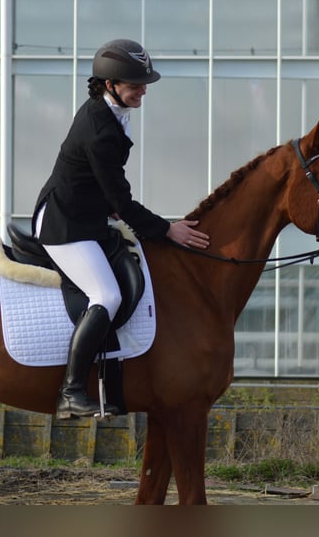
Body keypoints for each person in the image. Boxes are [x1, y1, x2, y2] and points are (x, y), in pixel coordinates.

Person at [32, 39, 210, 420]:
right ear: (110, 84)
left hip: (87, 214)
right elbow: (123, 200)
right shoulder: (101, 129)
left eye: (143, 83)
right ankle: (70, 391)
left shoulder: (109, 111)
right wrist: (167, 230)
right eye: (135, 84)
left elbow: (108, 191)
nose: (143, 89)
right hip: (65, 224)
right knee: (106, 295)